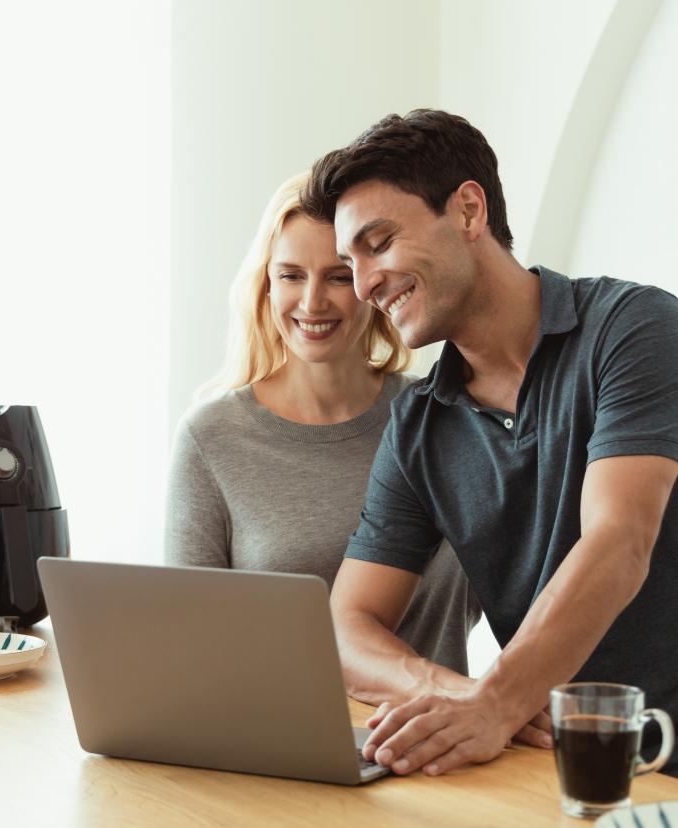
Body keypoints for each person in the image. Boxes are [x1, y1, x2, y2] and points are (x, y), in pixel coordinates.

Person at [300, 109, 678, 777]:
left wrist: (499, 702)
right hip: (550, 773)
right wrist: (461, 695)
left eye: (379, 243)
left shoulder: (633, 328)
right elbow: (344, 627)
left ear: (469, 211)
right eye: (350, 263)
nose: (362, 286)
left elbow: (620, 541)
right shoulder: (418, 424)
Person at [164, 171, 480, 678]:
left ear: (373, 281)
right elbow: (188, 641)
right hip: (273, 725)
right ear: (266, 285)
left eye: (337, 276)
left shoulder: (443, 417)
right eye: (291, 275)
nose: (313, 302)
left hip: (443, 721)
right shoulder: (211, 437)